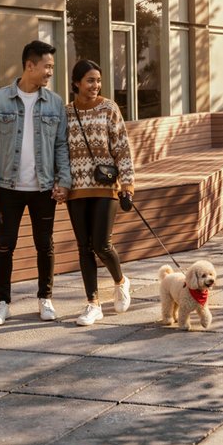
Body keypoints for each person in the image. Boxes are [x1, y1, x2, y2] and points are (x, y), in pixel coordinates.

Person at [0, 40, 72, 325]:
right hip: (8, 188)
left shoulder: (55, 102)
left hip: (44, 189)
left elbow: (61, 146)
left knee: (45, 245)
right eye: (47, 66)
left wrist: (64, 180)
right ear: (30, 65)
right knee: (4, 245)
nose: (50, 72)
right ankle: (2, 302)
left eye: (51, 67)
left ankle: (45, 298)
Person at [65, 59, 136, 326]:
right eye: (90, 80)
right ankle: (93, 304)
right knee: (84, 247)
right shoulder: (66, 113)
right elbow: (61, 151)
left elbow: (122, 148)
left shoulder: (109, 108)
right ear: (76, 83)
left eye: (98, 80)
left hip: (106, 187)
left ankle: (121, 281)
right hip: (76, 190)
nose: (96, 85)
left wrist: (127, 184)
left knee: (102, 245)